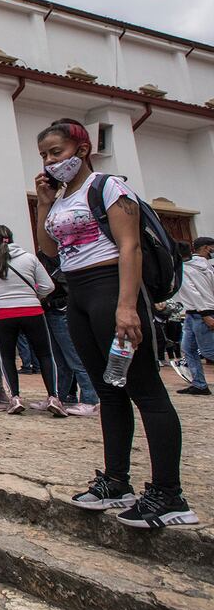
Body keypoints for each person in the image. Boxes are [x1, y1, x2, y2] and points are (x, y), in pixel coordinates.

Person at [34, 117, 196, 528]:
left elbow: (130, 245)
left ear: (82, 149)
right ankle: (116, 480)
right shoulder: (63, 197)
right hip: (80, 292)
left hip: (112, 288)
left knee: (145, 389)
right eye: (44, 156)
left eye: (57, 152)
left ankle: (168, 493)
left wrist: (127, 307)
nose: (51, 161)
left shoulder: (108, 187)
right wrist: (43, 203)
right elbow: (49, 249)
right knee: (108, 390)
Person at [0, 224, 65, 416]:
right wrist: (35, 296)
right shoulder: (29, 258)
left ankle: (15, 396)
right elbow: (48, 285)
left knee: (7, 356)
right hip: (31, 310)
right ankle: (53, 396)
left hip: (3, 313)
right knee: (45, 354)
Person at [37, 250, 101, 415]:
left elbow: (64, 286)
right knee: (60, 360)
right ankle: (59, 397)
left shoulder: (64, 256)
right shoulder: (42, 256)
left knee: (74, 357)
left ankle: (90, 399)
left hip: (61, 309)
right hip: (49, 309)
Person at [175, 237, 214, 396]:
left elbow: (193, 293)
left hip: (200, 313)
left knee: (209, 352)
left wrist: (205, 314)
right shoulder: (205, 266)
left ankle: (199, 384)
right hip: (194, 314)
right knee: (188, 349)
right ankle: (199, 384)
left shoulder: (184, 269)